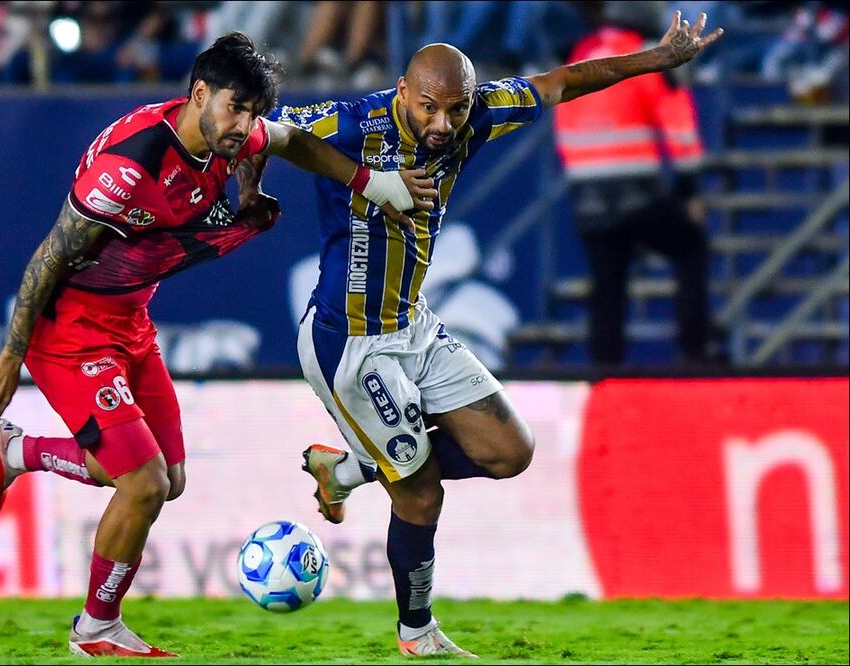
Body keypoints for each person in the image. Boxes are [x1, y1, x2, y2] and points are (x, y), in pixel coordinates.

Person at [254, 11, 721, 657]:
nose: (443, 124)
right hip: (349, 341)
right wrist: (262, 195)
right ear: (401, 90)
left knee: (510, 451)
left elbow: (558, 83)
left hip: (413, 324)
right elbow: (266, 134)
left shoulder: (476, 115)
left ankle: (353, 467)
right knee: (419, 494)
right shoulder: (356, 120)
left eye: (456, 108)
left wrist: (655, 59)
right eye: (429, 108)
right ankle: (417, 633)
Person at [0, 32, 433, 658]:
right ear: (200, 93)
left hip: (130, 321)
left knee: (168, 478)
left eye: (253, 113)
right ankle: (95, 628)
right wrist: (11, 355)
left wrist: (366, 182)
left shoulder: (232, 135)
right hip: (70, 329)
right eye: (236, 108)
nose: (245, 126)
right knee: (144, 483)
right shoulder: (130, 165)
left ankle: (19, 453)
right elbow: (52, 254)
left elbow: (291, 142)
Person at [554, 1, 713, 365]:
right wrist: (688, 190)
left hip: (586, 190)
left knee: (607, 281)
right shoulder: (647, 55)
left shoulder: (580, 53)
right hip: (638, 188)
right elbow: (679, 126)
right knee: (691, 249)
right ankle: (695, 354)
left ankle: (604, 371)